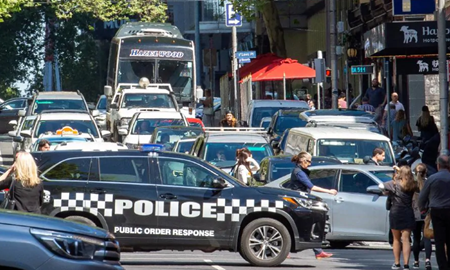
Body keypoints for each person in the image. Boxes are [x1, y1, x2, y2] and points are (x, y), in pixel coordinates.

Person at [289, 152, 337, 259]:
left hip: (301, 202)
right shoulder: (299, 172)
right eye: (309, 161)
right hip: (299, 202)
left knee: (303, 225)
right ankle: (317, 251)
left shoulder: (300, 171)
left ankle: (318, 251)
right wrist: (329, 191)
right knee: (307, 223)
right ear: (302, 160)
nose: (310, 164)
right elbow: (311, 187)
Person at [380, 166, 417, 270]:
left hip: (395, 212)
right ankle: (406, 264)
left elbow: (380, 185)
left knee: (396, 239)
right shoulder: (412, 184)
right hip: (408, 212)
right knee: (406, 239)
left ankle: (397, 263)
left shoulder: (394, 184)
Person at [418, 155, 450, 270]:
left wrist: (423, 208)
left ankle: (443, 266)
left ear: (438, 165)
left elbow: (422, 197)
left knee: (439, 241)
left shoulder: (432, 178)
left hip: (437, 212)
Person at [412, 164, 432, 270]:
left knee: (415, 238)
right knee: (427, 237)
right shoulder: (428, 182)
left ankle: (416, 262)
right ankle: (427, 260)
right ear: (425, 172)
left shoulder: (412, 184)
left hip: (415, 213)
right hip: (426, 213)